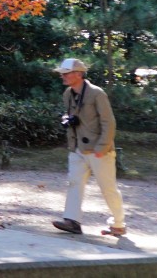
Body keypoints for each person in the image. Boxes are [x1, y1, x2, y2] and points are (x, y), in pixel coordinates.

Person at [52, 58, 126, 237]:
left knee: (107, 188)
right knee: (74, 183)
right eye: (62, 73)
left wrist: (103, 146)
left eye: (66, 73)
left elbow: (109, 122)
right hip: (77, 148)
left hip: (99, 150)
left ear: (78, 74)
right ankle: (72, 221)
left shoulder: (96, 93)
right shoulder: (68, 94)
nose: (63, 76)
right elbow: (74, 115)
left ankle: (118, 224)